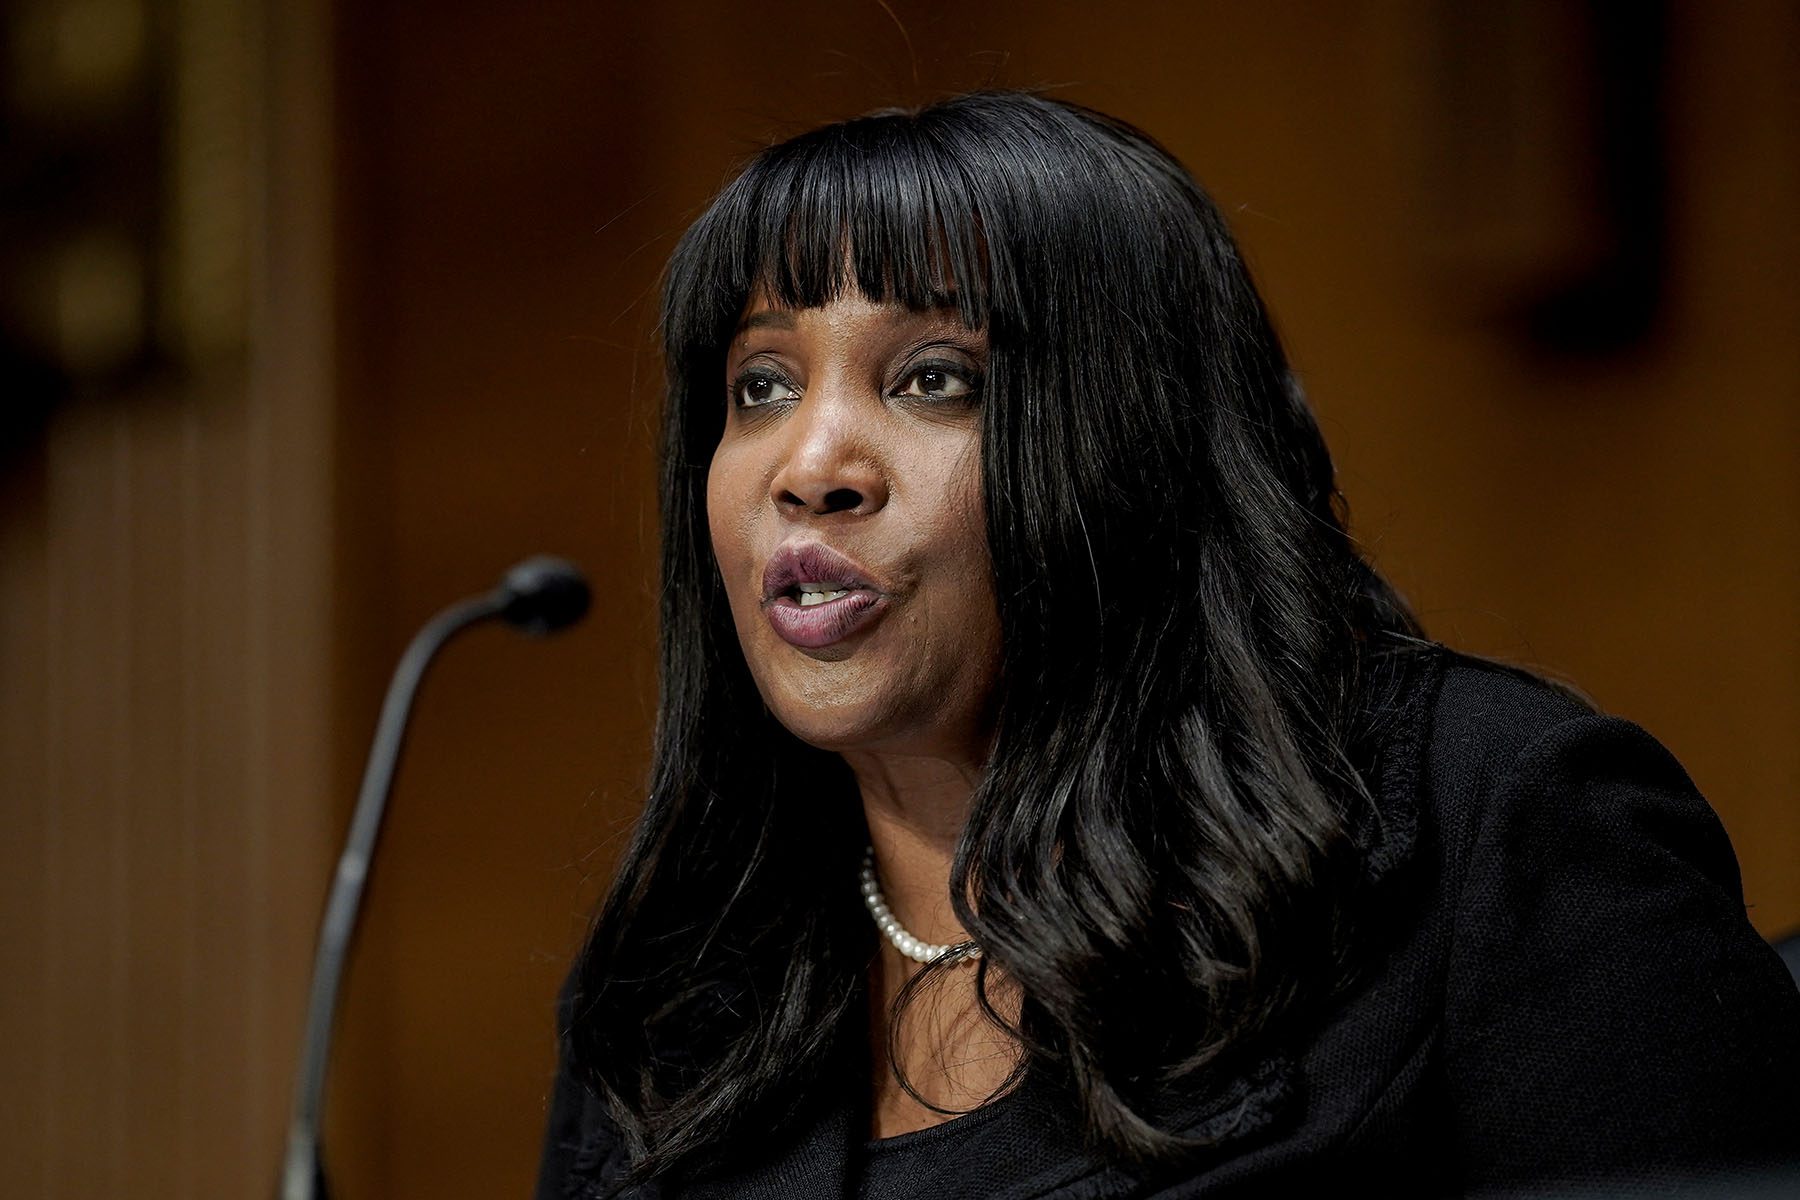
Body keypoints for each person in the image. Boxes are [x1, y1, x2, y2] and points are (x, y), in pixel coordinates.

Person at [534, 90, 1800, 1199]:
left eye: (933, 376)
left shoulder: (1490, 829)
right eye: (761, 384)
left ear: (1135, 441)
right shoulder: (676, 981)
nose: (809, 468)